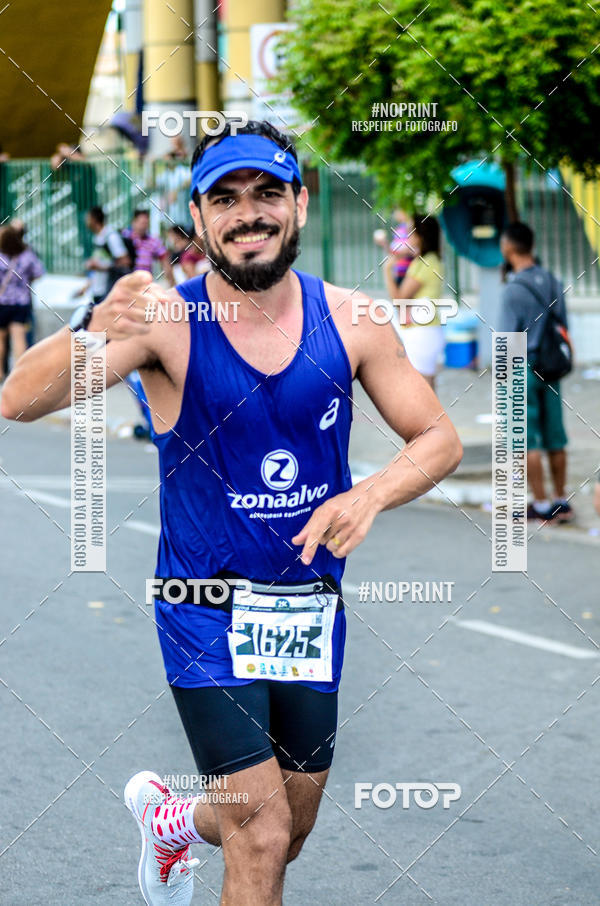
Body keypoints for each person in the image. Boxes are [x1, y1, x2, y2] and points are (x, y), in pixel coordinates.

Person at [1, 120, 462, 906]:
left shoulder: (354, 319)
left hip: (310, 607)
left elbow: (439, 436)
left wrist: (368, 493)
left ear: (300, 205)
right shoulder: (164, 324)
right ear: (201, 216)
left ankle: (174, 821)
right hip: (201, 607)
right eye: (226, 198)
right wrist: (90, 330)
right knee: (263, 835)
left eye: (266, 193)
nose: (248, 213)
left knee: (291, 827)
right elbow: (17, 399)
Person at [499, 222, 573, 524]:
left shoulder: (513, 289)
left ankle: (540, 504)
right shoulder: (554, 281)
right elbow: (563, 325)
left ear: (509, 248)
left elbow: (506, 339)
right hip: (552, 367)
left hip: (523, 369)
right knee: (556, 436)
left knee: (526, 440)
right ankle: (561, 500)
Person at [394, 214, 446, 390]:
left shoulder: (425, 263)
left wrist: (387, 271)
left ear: (421, 235)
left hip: (423, 333)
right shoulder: (429, 260)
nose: (407, 236)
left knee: (423, 392)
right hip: (425, 331)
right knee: (427, 391)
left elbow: (399, 299)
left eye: (411, 232)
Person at [0, 225, 44, 381]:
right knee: (19, 337)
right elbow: (39, 272)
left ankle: (0, 373)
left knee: (1, 338)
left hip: (2, 302)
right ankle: (19, 374)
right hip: (21, 302)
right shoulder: (27, 255)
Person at [81, 206, 132, 305]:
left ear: (94, 219)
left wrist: (101, 267)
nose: (86, 222)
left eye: (88, 218)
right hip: (98, 291)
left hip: (109, 291)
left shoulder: (111, 236)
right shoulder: (97, 238)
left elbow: (125, 261)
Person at [123, 209, 175, 286]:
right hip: (127, 282)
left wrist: (172, 284)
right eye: (141, 223)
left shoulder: (154, 241)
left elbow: (165, 262)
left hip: (145, 284)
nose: (143, 226)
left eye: (146, 223)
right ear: (134, 222)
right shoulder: (125, 238)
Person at [374, 208, 414, 297]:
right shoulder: (399, 229)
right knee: (400, 301)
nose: (395, 213)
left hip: (410, 271)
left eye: (397, 210)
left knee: (403, 301)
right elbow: (394, 252)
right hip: (400, 271)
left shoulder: (411, 228)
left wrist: (395, 252)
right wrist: (384, 244)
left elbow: (410, 250)